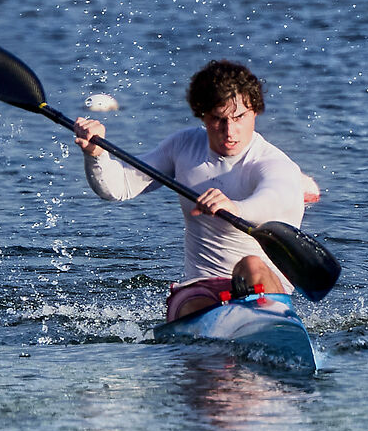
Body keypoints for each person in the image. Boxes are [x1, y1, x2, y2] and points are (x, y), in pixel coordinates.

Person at [73, 58, 320, 323]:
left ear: (255, 112)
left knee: (250, 264)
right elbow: (118, 188)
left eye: (239, 117)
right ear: (202, 115)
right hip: (203, 287)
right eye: (218, 119)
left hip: (264, 287)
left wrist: (235, 208)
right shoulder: (183, 146)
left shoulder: (271, 162)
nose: (229, 131)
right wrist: (96, 154)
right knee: (195, 304)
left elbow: (275, 198)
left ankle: (265, 325)